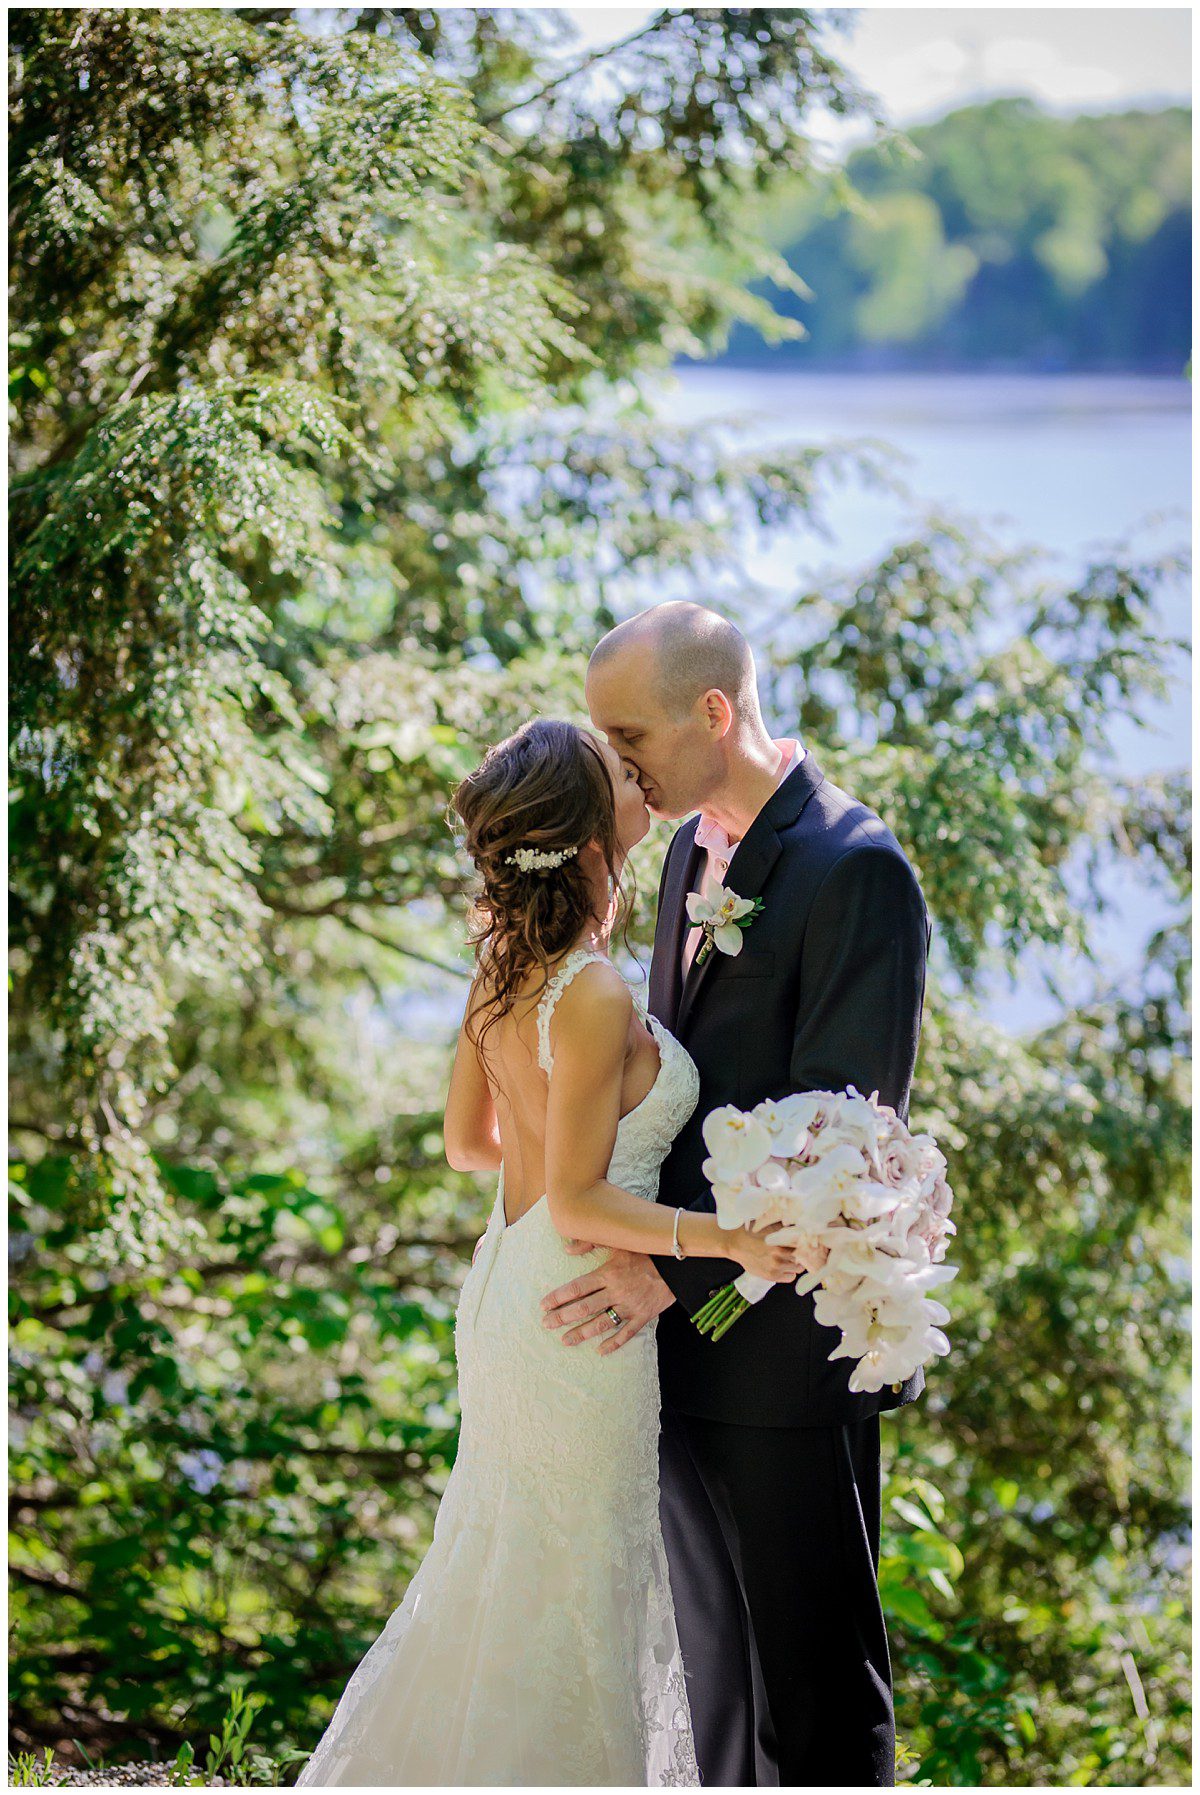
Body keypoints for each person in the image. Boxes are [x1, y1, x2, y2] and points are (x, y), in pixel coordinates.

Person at [296, 717, 800, 1787]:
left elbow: (468, 1145)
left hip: (507, 1284)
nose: (639, 774)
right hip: (576, 1315)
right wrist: (722, 1236)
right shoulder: (595, 989)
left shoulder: (503, 969)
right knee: (574, 1592)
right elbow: (580, 1200)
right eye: (620, 770)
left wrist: (551, 1143)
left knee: (508, 1573)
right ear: (586, 835)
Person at [539, 601, 933, 1787]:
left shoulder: (855, 868)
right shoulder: (684, 856)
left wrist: (665, 1269)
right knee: (720, 1688)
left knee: (815, 1690)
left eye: (630, 737)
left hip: (785, 1355)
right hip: (680, 1350)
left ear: (714, 710)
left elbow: (842, 1140)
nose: (616, 766)